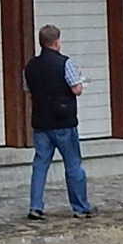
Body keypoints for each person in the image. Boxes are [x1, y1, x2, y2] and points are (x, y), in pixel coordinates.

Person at [23, 24, 94, 220]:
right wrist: (79, 77)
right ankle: (80, 206)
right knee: (73, 164)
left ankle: (35, 206)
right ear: (56, 42)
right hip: (63, 121)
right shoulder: (66, 63)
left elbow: (28, 90)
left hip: (40, 122)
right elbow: (76, 89)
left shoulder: (30, 65)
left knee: (40, 164)